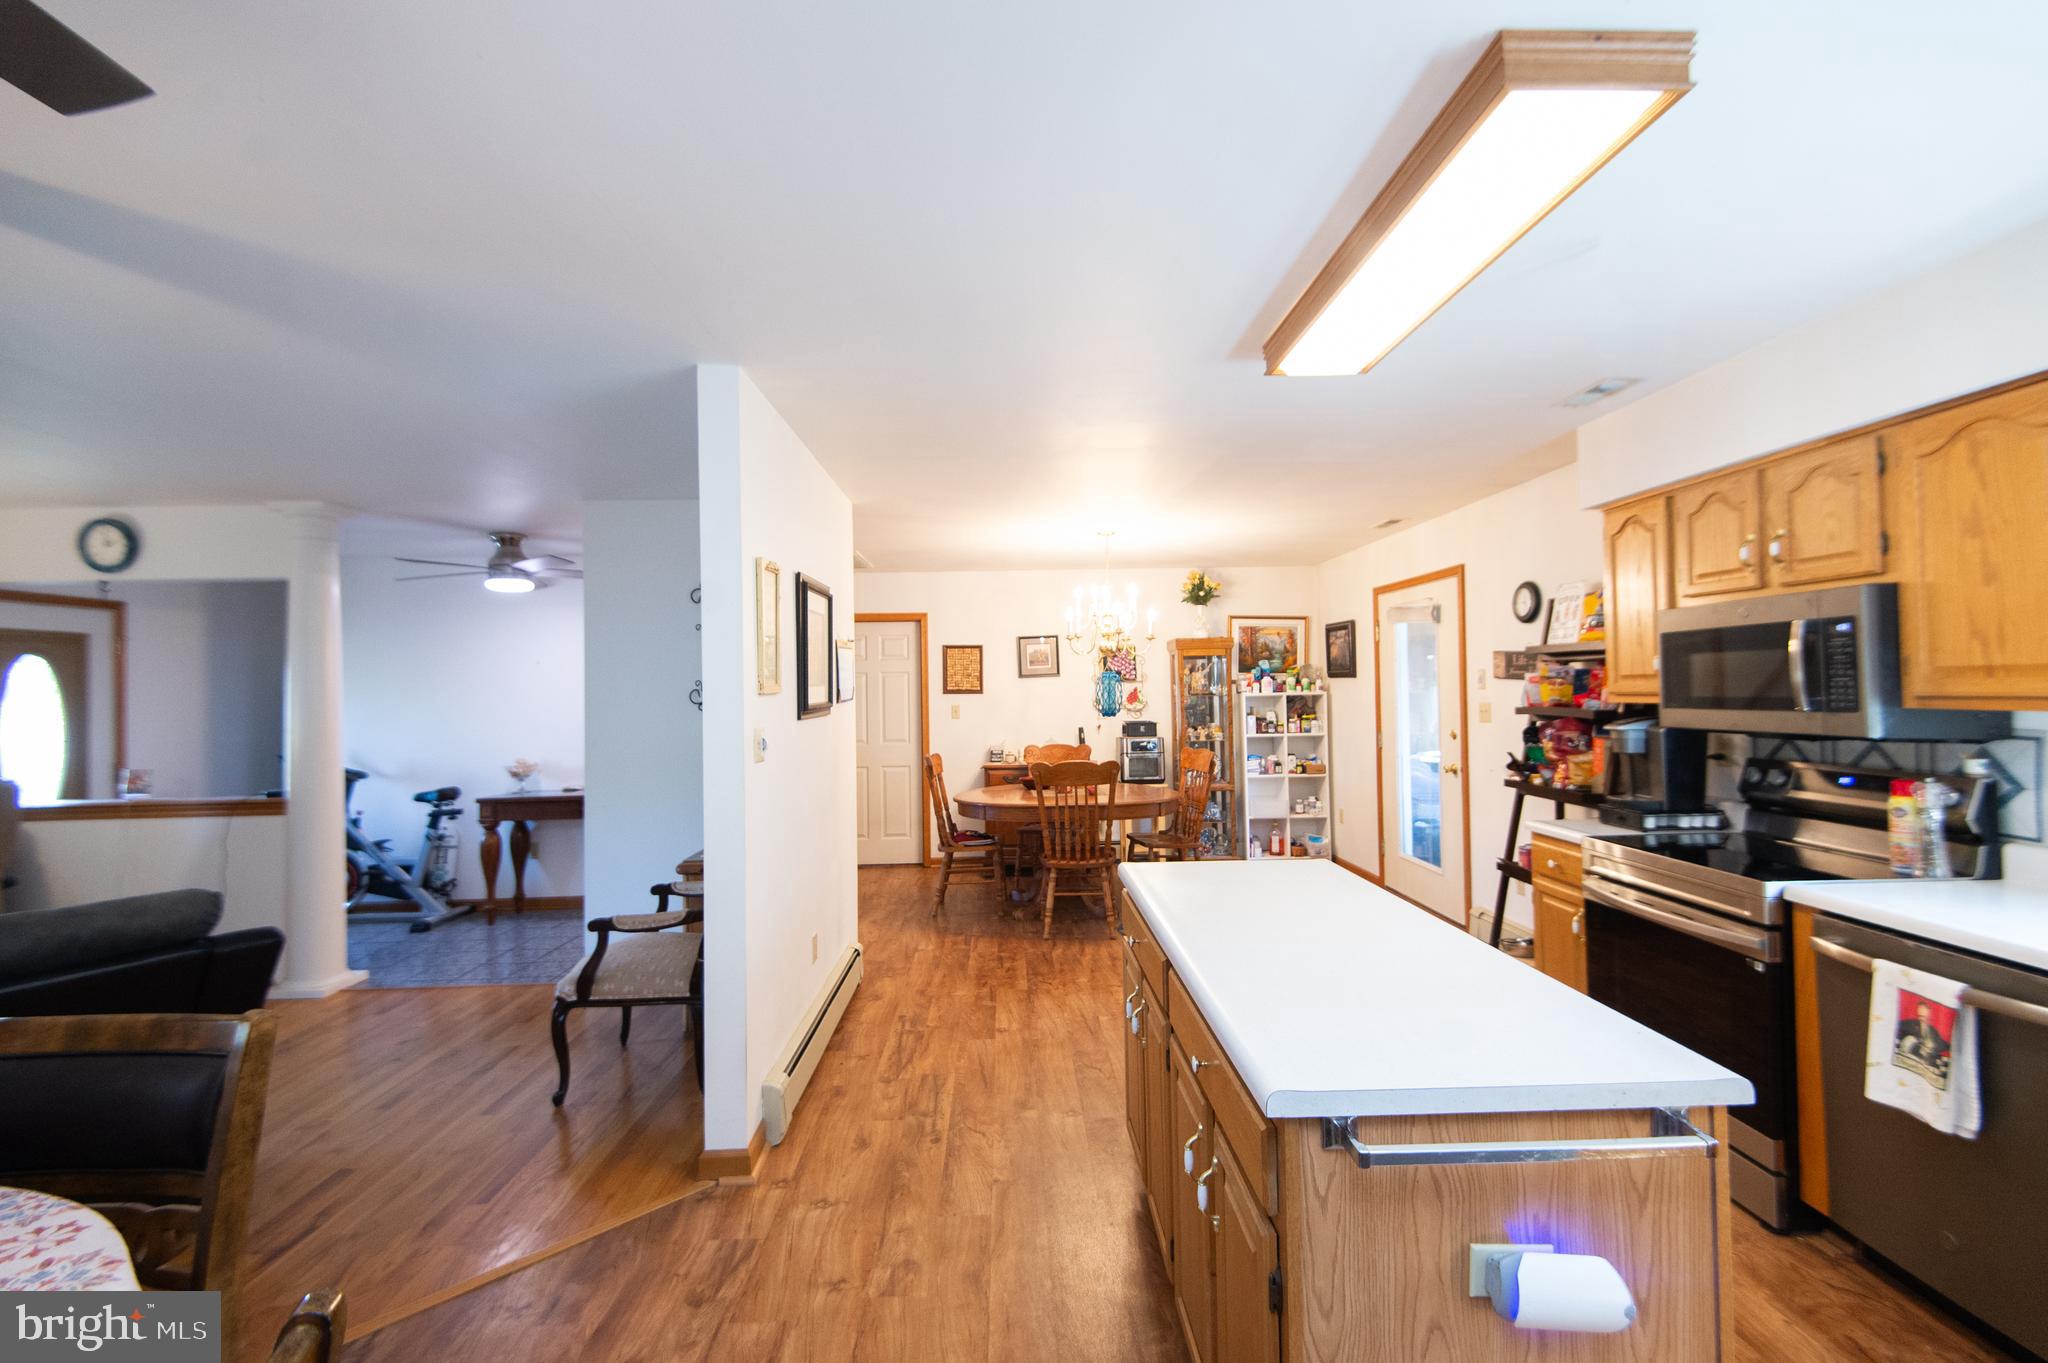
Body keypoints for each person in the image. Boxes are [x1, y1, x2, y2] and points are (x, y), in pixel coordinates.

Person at [1894, 998, 1951, 1080]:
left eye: (1925, 1016)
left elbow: (1941, 1044)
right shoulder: (1909, 1024)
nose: (1923, 1018)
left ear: (1929, 1014)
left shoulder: (1932, 1030)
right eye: (1920, 1016)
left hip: (1928, 1065)